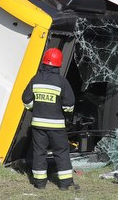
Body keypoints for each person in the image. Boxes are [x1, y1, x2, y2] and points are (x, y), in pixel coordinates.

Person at [21, 47, 76, 190]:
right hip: (57, 126)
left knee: (39, 153)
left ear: (44, 62)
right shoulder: (62, 82)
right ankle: (64, 185)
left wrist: (35, 109)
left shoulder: (36, 79)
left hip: (38, 125)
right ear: (59, 64)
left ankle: (40, 184)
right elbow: (69, 104)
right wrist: (66, 115)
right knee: (61, 152)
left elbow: (26, 99)